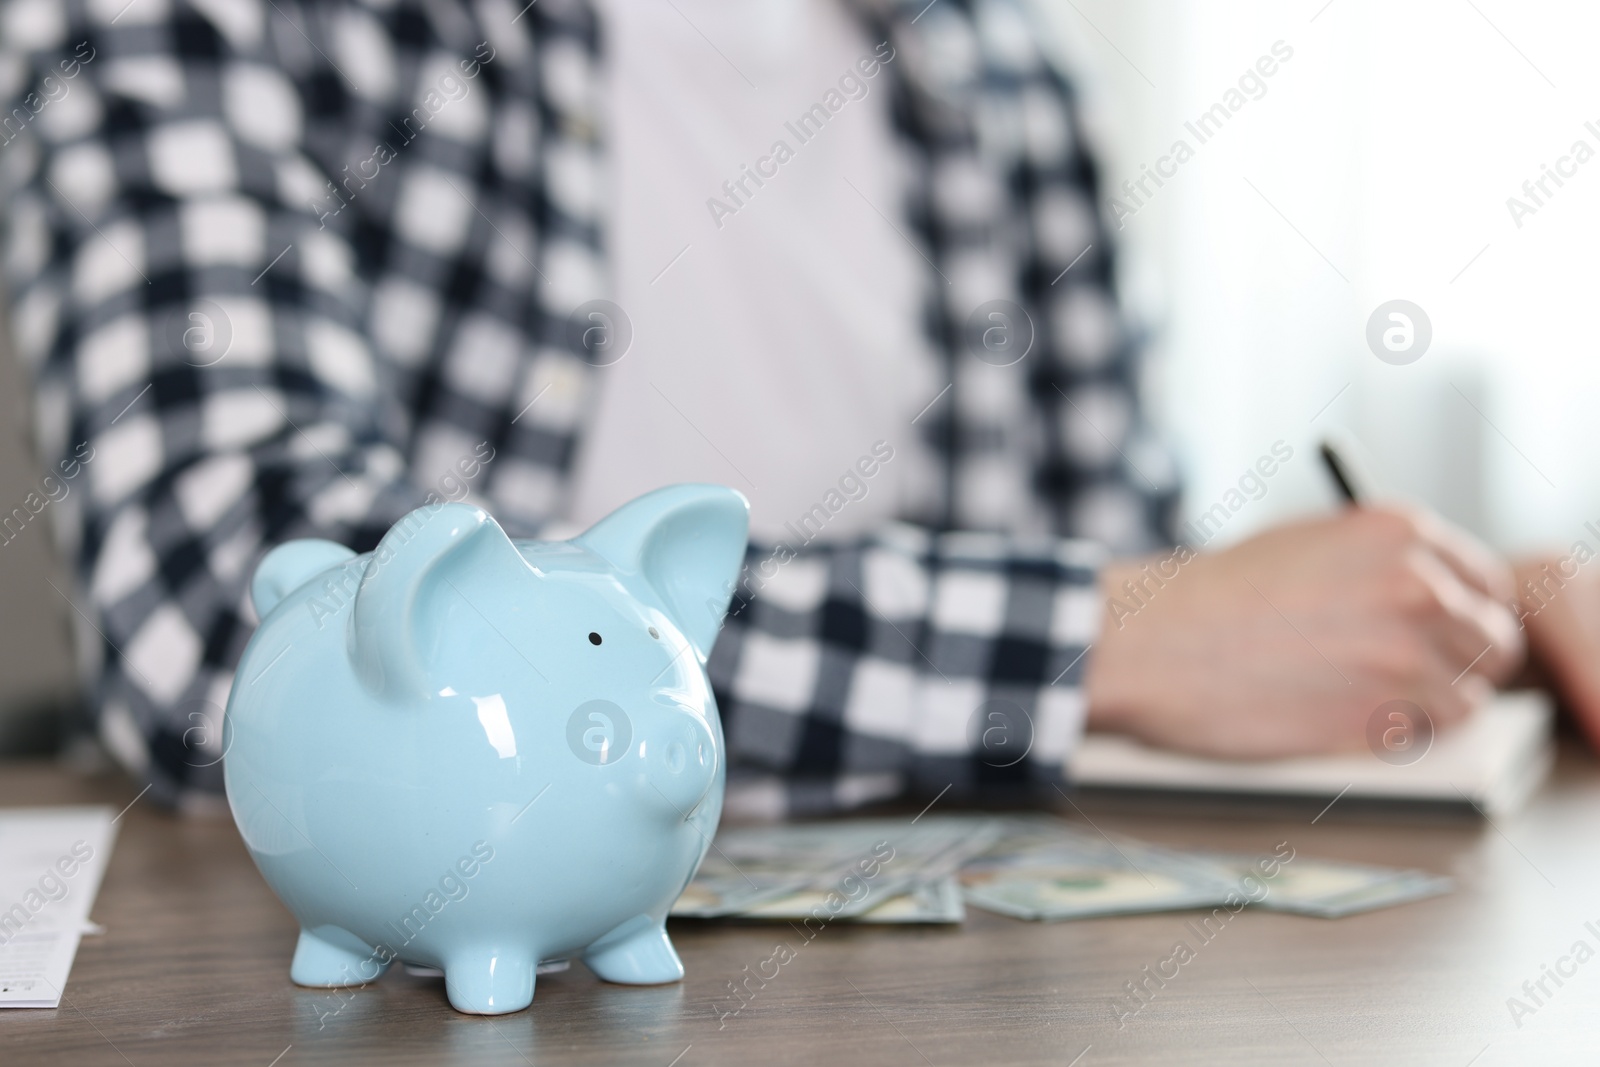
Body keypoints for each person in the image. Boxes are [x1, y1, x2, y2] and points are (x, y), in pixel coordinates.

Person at [0, 0, 1590, 814]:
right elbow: (235, 620)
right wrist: (1098, 641)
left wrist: (1468, 602)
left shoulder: (1000, 74)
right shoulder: (214, 23)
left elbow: (1167, 600)